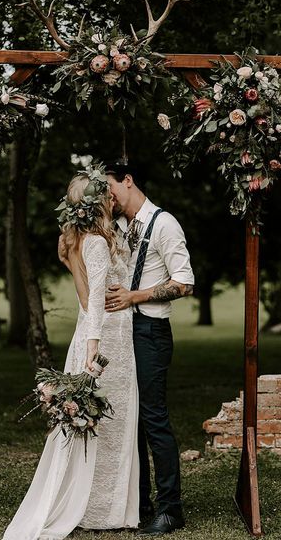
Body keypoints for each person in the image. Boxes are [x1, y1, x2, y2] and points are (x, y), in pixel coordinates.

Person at [2, 162, 139, 540]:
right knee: (107, 424)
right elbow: (95, 299)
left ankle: (109, 505)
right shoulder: (95, 243)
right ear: (96, 202)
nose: (112, 197)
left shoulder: (76, 240)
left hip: (100, 335)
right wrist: (93, 349)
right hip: (105, 338)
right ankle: (100, 510)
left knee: (107, 424)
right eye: (105, 194)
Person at [105, 161, 194, 537]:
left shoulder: (165, 224)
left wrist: (134, 297)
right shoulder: (121, 227)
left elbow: (184, 282)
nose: (108, 196)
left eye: (111, 188)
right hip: (126, 331)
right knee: (132, 420)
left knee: (154, 419)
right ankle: (139, 503)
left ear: (128, 180)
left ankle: (171, 509)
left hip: (152, 332)